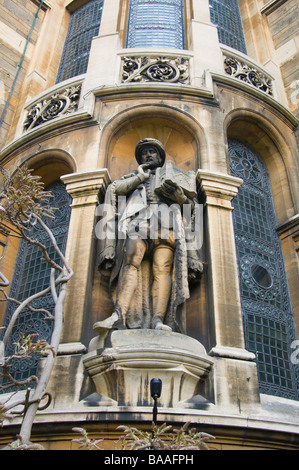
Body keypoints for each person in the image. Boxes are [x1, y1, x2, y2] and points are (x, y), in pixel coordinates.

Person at [95, 138, 203, 332]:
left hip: (167, 225)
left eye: (152, 151)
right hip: (140, 223)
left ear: (160, 157)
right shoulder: (134, 177)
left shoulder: (173, 177)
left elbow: (191, 208)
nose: (148, 155)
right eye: (144, 152)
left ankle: (158, 320)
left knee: (162, 269)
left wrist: (179, 197)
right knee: (130, 261)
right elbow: (114, 190)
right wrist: (139, 178)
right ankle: (118, 315)